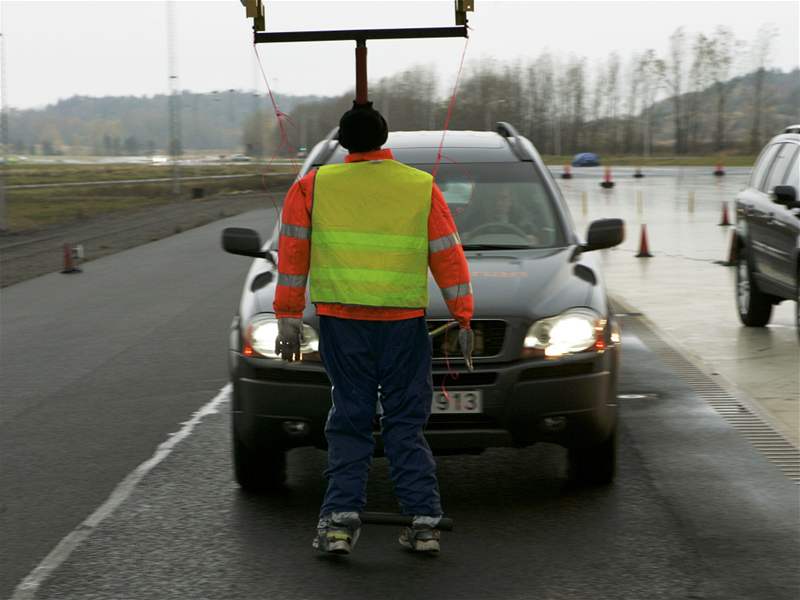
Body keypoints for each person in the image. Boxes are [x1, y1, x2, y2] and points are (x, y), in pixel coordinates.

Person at [273, 101, 474, 556]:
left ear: (341, 143)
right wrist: (463, 314)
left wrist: (287, 314)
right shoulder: (419, 187)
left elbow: (292, 256)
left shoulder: (311, 186)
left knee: (350, 419)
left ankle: (340, 523)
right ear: (384, 140)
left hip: (342, 324)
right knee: (406, 423)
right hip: (403, 326)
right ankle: (423, 522)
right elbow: (448, 254)